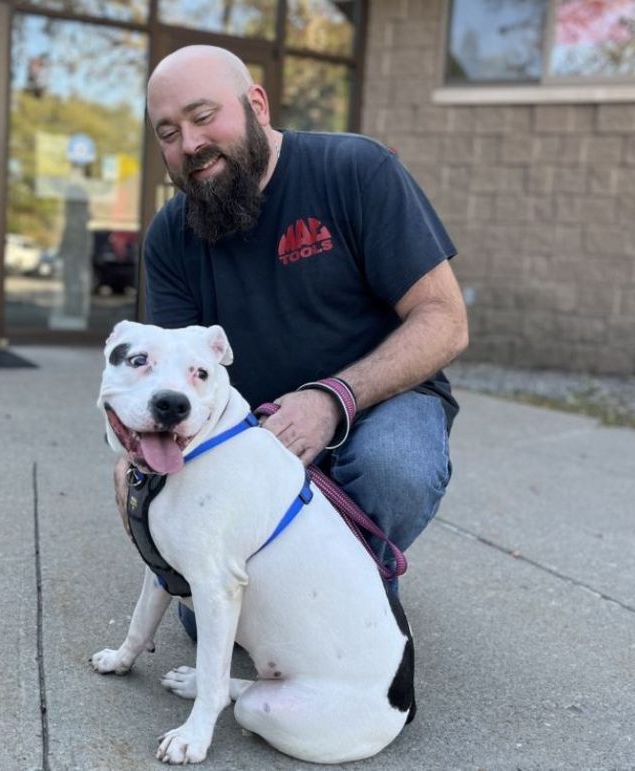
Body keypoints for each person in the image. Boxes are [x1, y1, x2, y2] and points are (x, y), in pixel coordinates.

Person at [117, 45, 469, 634]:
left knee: (393, 469)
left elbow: (445, 320)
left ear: (256, 103)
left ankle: (353, 599)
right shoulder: (170, 236)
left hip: (381, 402)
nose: (190, 144)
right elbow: (172, 376)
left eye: (205, 117)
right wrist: (137, 450)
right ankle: (290, 599)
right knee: (203, 625)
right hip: (249, 429)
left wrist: (332, 399)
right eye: (169, 132)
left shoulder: (356, 171)